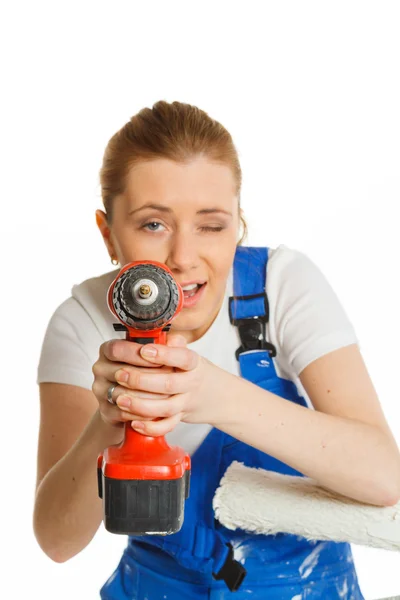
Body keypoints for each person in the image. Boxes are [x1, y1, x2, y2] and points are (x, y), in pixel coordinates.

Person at [33, 100, 400, 599]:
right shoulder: (82, 321)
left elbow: (385, 478)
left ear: (238, 224)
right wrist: (110, 419)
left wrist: (213, 394)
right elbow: (57, 540)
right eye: (153, 225)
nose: (183, 258)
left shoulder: (281, 287)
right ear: (108, 234)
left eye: (211, 225)